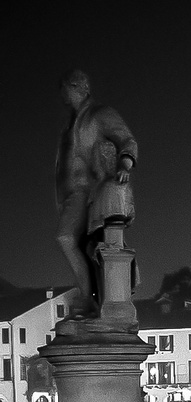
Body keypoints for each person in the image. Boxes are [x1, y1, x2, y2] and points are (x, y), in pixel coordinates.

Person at [55, 70, 138, 318]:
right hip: (71, 193)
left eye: (65, 87)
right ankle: (91, 298)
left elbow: (128, 140)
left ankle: (87, 297)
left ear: (80, 88)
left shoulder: (100, 114)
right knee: (80, 244)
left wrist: (125, 164)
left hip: (88, 190)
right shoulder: (71, 124)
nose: (63, 93)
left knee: (65, 236)